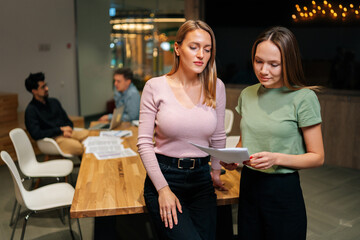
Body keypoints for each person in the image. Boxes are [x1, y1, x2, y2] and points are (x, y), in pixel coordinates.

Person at [222, 26, 325, 240]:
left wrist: (275, 158)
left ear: (289, 62)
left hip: (282, 190)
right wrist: (234, 158)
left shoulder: (303, 98)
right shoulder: (247, 94)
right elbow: (246, 142)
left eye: (273, 64)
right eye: (258, 61)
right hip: (249, 184)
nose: (263, 70)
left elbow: (317, 157)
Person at [137, 20, 227, 240]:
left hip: (201, 180)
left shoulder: (216, 86)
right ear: (177, 48)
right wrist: (163, 190)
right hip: (165, 177)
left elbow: (218, 136)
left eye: (207, 49)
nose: (201, 55)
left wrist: (215, 171)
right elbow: (144, 143)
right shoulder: (155, 86)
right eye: (193, 47)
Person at [24, 72, 89, 156]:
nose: (47, 88)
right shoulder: (31, 110)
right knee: (79, 147)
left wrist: (68, 128)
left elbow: (67, 121)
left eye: (46, 85)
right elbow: (36, 134)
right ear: (34, 91)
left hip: (66, 133)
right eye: (43, 87)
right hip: (53, 139)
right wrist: (60, 130)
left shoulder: (54, 102)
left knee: (90, 135)